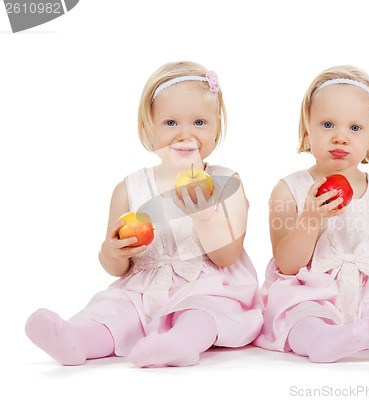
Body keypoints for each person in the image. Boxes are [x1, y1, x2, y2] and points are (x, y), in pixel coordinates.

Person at [25, 61, 263, 367]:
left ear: (218, 126)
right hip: (145, 288)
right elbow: (115, 268)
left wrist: (204, 217)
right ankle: (78, 340)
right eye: (170, 123)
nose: (185, 133)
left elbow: (227, 257)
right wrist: (112, 250)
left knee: (201, 311)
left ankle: (180, 343)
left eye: (200, 122)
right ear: (147, 129)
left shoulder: (226, 183)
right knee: (114, 309)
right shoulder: (129, 189)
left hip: (208, 285)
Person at [254, 65, 369, 362]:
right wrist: (310, 220)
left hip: (368, 294)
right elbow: (286, 265)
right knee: (300, 318)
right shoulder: (290, 190)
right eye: (327, 125)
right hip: (311, 293)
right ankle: (324, 340)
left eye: (355, 128)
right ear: (306, 129)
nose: (340, 137)